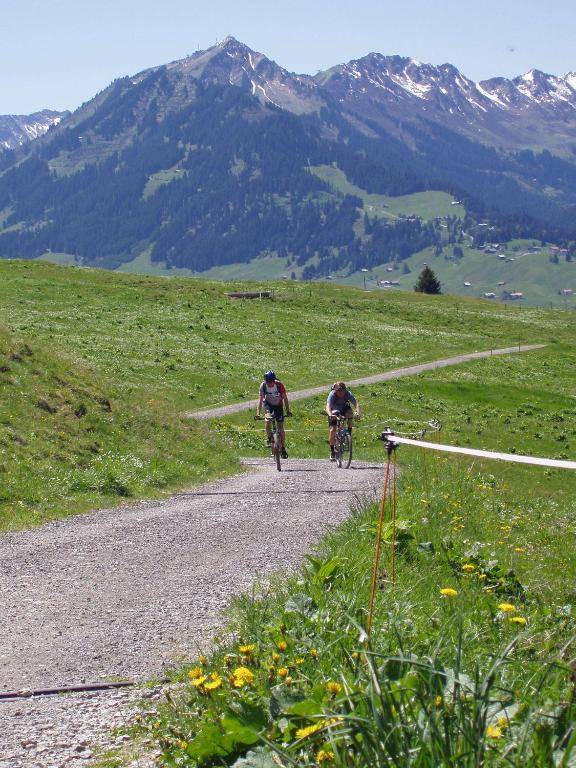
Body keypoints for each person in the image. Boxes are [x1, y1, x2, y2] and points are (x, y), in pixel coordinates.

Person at [256, 371, 292, 458]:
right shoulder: (263, 386)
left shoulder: (279, 385)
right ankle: (269, 439)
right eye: (268, 382)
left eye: (272, 382)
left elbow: (285, 398)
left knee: (280, 426)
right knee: (267, 420)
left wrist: (287, 410)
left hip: (278, 405)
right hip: (268, 405)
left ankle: (282, 447)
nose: (270, 384)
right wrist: (257, 413)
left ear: (274, 380)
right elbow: (260, 400)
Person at [326, 381, 360, 461]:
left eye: (343, 391)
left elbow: (356, 403)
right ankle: (332, 451)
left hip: (344, 409)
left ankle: (349, 434)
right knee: (333, 429)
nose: (341, 393)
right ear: (336, 391)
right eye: (339, 391)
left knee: (350, 413)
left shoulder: (347, 393)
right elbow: (328, 406)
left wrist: (358, 412)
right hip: (334, 411)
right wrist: (330, 415)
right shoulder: (332, 395)